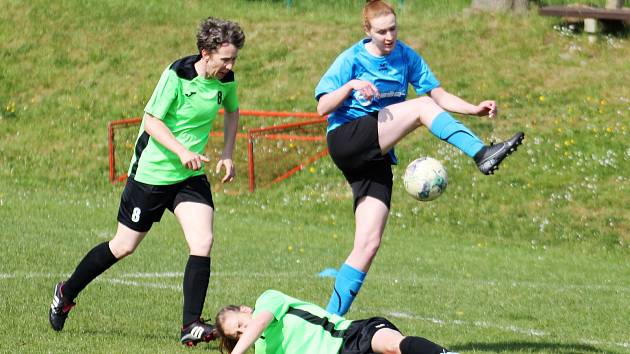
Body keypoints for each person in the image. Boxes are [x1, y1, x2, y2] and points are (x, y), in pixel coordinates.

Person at [314, 0, 524, 316]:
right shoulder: (352, 58)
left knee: (368, 245)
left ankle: (327, 321)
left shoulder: (407, 57)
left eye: (393, 29)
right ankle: (481, 153)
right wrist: (352, 85)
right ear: (367, 30)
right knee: (420, 108)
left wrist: (473, 108)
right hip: (346, 137)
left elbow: (438, 96)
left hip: (375, 156)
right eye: (381, 31)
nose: (389, 37)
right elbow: (322, 106)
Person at [48, 17, 245, 346]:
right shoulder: (177, 75)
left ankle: (190, 324)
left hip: (189, 175)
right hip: (153, 173)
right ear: (205, 53)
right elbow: (151, 122)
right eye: (225, 58)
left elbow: (233, 111)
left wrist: (227, 152)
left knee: (203, 241)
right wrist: (182, 150)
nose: (230, 65)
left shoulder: (226, 81)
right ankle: (65, 293)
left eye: (234, 58)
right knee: (123, 246)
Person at [214, 289, 459, 354]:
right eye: (237, 334)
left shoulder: (268, 300)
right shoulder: (265, 350)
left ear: (246, 310)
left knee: (392, 346)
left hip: (353, 335)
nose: (243, 330)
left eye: (240, 323)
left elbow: (258, 324)